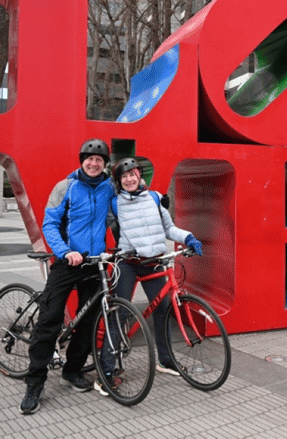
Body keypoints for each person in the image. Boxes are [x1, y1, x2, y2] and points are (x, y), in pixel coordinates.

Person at [20, 138, 115, 415]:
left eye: (99, 159)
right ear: (81, 160)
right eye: (89, 158)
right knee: (49, 321)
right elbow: (49, 224)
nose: (94, 163)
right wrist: (64, 252)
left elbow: (122, 212)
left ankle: (72, 371)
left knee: (87, 321)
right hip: (67, 261)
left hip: (94, 263)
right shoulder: (66, 187)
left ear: (104, 164)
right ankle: (34, 382)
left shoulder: (109, 187)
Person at [96, 157, 203, 396]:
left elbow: (169, 228)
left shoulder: (154, 198)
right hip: (129, 263)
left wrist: (188, 237)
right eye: (124, 177)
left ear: (139, 176)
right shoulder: (115, 203)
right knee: (119, 313)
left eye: (132, 174)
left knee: (163, 311)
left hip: (154, 263)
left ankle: (165, 360)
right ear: (119, 181)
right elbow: (98, 224)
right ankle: (107, 371)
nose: (129, 179)